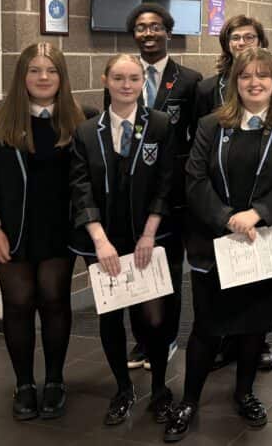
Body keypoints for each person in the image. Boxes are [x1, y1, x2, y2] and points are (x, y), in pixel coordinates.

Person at [164, 48, 272, 442]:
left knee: (253, 326)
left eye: (263, 75)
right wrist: (228, 217)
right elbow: (194, 179)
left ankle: (244, 393)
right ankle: (189, 400)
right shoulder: (212, 124)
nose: (254, 82)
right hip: (216, 240)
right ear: (235, 82)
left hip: (266, 240)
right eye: (246, 76)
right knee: (208, 326)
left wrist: (259, 213)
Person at [0, 43, 93, 421]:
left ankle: (55, 380)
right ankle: (24, 384)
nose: (43, 78)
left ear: (62, 76)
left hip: (59, 230)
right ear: (21, 76)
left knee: (55, 302)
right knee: (19, 304)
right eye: (35, 70)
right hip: (9, 231)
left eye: (51, 70)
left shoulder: (82, 117)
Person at [70, 53, 175, 426]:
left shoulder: (160, 124)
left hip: (149, 236)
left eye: (133, 78)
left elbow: (166, 181)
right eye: (118, 78)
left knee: (154, 317)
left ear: (140, 83)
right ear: (105, 80)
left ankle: (161, 388)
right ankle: (122, 388)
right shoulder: (86, 131)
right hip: (105, 241)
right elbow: (81, 190)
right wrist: (99, 240)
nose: (126, 85)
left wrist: (148, 234)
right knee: (110, 314)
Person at [193, 13, 272, 371]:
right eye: (235, 38)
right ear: (227, 44)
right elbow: (200, 156)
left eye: (249, 37)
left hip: (265, 216)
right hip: (222, 211)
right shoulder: (206, 90)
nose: (242, 43)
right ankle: (224, 342)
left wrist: (261, 211)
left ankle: (255, 344)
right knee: (220, 293)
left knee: (258, 295)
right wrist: (223, 214)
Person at [115, 3, 201, 371]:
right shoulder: (125, 75)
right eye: (140, 28)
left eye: (155, 27)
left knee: (169, 265)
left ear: (168, 31)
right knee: (134, 262)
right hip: (132, 189)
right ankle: (141, 340)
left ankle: (165, 339)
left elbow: (197, 136)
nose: (148, 33)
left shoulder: (189, 79)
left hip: (174, 189)